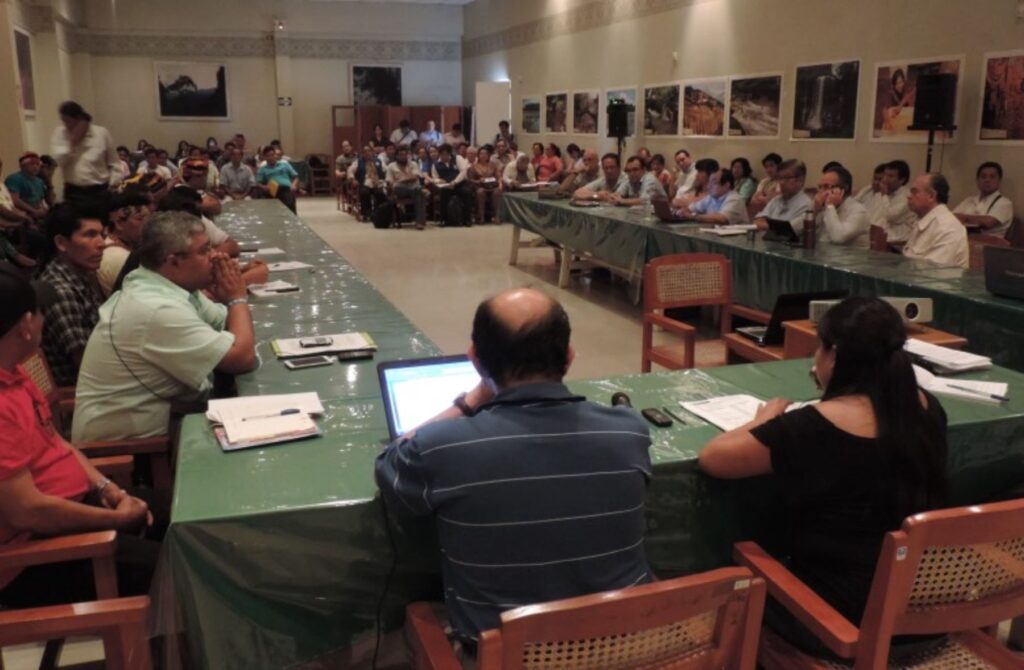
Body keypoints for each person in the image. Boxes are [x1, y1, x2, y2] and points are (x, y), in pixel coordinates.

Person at [375, 288, 653, 650]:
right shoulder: (629, 431)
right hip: (627, 645)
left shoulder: (441, 448)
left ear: (476, 361)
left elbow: (389, 466)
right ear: (569, 357)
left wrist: (472, 399)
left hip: (505, 655)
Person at [699, 296, 948, 659]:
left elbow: (713, 458)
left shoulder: (810, 428)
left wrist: (763, 420)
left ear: (833, 356)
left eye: (819, 347)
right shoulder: (928, 408)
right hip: (926, 614)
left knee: (733, 587)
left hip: (839, 622)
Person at [0, 265, 162, 609]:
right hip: (33, 554)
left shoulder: (14, 372)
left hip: (73, 508)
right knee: (177, 569)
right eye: (39, 312)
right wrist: (118, 519)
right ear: (26, 325)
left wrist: (109, 489)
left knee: (183, 518)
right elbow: (27, 512)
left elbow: (57, 443)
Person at [72, 211, 256, 442]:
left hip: (167, 417)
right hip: (130, 446)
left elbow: (225, 322)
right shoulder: (155, 308)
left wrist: (232, 299)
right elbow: (242, 358)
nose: (215, 256)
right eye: (204, 251)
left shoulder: (170, 286)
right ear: (173, 261)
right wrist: (237, 297)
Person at [38, 203, 107, 387]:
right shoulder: (60, 290)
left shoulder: (81, 275)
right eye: (90, 235)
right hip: (79, 391)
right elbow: (89, 364)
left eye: (102, 234)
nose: (102, 244)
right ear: (61, 243)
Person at [50, 101, 121, 203]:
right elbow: (58, 161)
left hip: (100, 190)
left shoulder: (101, 133)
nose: (66, 125)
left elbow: (114, 163)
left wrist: (113, 184)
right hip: (73, 191)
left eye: (69, 121)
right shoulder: (60, 133)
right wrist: (72, 142)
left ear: (79, 119)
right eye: (64, 121)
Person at [903, 173, 969, 268]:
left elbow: (932, 271)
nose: (909, 196)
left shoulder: (948, 227)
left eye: (914, 192)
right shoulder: (923, 220)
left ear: (931, 196)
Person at [98, 190, 150, 296]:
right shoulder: (118, 256)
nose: (147, 224)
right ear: (119, 223)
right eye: (140, 219)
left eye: (148, 218)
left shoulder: (124, 247)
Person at [812, 165, 870, 247]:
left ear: (844, 188)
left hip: (848, 255)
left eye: (826, 187)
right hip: (823, 253)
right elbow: (798, 232)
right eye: (820, 187)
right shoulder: (822, 207)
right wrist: (814, 211)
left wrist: (830, 206)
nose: (821, 192)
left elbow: (838, 238)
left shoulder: (859, 211)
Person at [953, 162, 1014, 238]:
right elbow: (951, 217)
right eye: (983, 177)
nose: (987, 180)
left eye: (992, 177)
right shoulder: (968, 200)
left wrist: (964, 218)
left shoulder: (1004, 203)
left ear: (999, 181)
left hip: (989, 243)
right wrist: (976, 219)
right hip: (963, 239)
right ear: (977, 181)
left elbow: (988, 222)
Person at [752, 159, 812, 230]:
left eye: (786, 178)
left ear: (800, 180)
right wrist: (770, 226)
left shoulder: (806, 205)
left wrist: (767, 226)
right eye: (780, 178)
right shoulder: (776, 200)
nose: (781, 182)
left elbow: (790, 229)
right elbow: (758, 220)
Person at [677, 168, 749, 226]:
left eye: (714, 183)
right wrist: (682, 212)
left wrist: (693, 216)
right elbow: (691, 208)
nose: (709, 186)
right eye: (709, 182)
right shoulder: (710, 198)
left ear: (726, 185)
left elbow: (721, 218)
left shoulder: (734, 199)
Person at [385, 146, 426, 230]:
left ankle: (419, 222)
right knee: (397, 187)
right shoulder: (391, 166)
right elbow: (390, 182)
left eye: (405, 154)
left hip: (413, 188)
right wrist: (406, 179)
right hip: (400, 190)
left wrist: (401, 180)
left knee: (418, 191)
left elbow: (415, 177)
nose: (403, 156)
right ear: (396, 156)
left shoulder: (413, 164)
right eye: (401, 155)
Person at [877, 159, 916, 243]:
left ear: (902, 180)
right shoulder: (889, 194)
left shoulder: (906, 197)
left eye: (890, 176)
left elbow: (890, 216)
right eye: (885, 175)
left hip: (898, 241)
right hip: (886, 237)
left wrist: (884, 195)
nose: (885, 179)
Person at [6, 153, 49, 222]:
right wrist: (34, 211)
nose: (35, 167)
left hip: (38, 215)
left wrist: (44, 209)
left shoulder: (39, 181)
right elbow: (14, 200)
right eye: (32, 164)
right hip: (22, 216)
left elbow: (41, 200)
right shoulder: (14, 179)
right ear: (22, 166)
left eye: (38, 164)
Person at [348, 145, 387, 221]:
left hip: (377, 183)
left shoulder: (379, 161)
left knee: (380, 193)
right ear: (362, 153)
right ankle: (366, 213)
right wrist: (353, 179)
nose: (367, 153)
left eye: (369, 151)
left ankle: (378, 213)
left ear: (372, 152)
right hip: (364, 183)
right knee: (364, 193)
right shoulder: (358, 162)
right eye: (365, 152)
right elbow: (350, 171)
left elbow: (387, 170)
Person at [257, 146, 300, 214]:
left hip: (286, 188)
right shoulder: (262, 169)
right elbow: (258, 183)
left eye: (272, 155)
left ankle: (291, 216)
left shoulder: (285, 164)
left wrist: (294, 185)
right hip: (272, 190)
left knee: (288, 197)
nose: (271, 157)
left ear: (275, 155)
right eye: (268, 156)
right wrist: (263, 187)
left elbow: (296, 177)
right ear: (264, 157)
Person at [467, 146, 501, 224]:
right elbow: (470, 180)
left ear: (488, 155)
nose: (483, 155)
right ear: (478, 155)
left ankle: (497, 216)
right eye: (481, 154)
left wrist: (498, 181)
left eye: (485, 154)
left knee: (497, 192)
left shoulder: (493, 165)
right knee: (480, 192)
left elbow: (498, 176)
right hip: (480, 186)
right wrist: (479, 181)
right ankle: (481, 217)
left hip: (492, 185)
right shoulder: (474, 166)